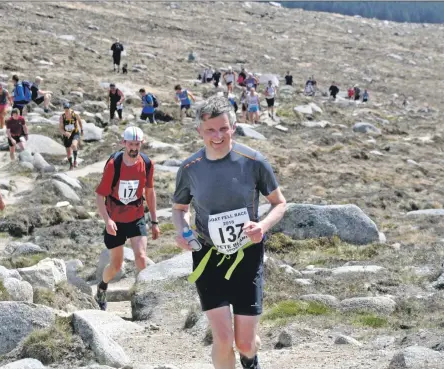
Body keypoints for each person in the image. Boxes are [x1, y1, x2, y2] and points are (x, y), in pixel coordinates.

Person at [171, 96, 286, 369]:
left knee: (245, 344)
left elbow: (280, 203)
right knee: (223, 339)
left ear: (233, 127)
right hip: (208, 257)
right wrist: (184, 232)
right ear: (199, 130)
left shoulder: (254, 161)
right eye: (210, 130)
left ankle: (251, 358)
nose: (217, 136)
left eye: (223, 128)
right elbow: (178, 209)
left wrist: (262, 226)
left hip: (247, 256)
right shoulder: (190, 168)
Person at [94, 126, 160, 310]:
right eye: (131, 144)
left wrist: (154, 221)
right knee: (115, 265)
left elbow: (150, 192)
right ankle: (102, 287)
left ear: (142, 144)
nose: (134, 148)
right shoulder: (113, 165)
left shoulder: (147, 164)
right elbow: (100, 197)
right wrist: (107, 221)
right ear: (124, 143)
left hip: (137, 216)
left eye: (137, 144)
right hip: (115, 220)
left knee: (141, 257)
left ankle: (144, 296)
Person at [59, 103, 83, 170]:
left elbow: (80, 121)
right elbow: (60, 128)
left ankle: (75, 161)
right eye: (65, 110)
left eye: (68, 110)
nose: (66, 111)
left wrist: (82, 130)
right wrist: (65, 133)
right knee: (68, 152)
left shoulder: (75, 115)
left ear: (70, 109)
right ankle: (71, 165)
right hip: (66, 135)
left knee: (74, 145)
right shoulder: (62, 117)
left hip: (75, 133)